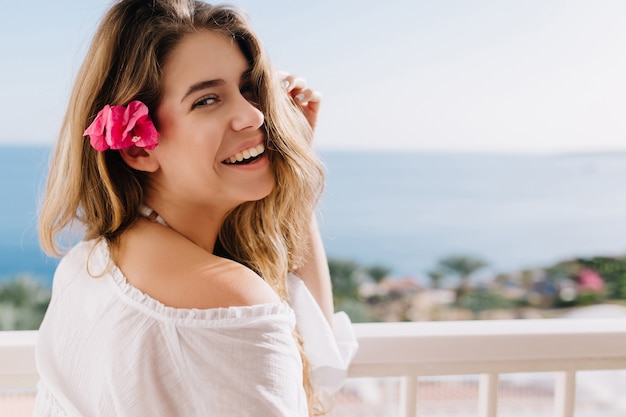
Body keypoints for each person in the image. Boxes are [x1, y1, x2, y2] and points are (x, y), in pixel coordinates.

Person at [35, 0, 357, 415]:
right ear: (136, 147)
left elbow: (318, 360)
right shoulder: (230, 298)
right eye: (207, 100)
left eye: (248, 88)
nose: (254, 116)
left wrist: (290, 162)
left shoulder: (91, 261)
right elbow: (318, 379)